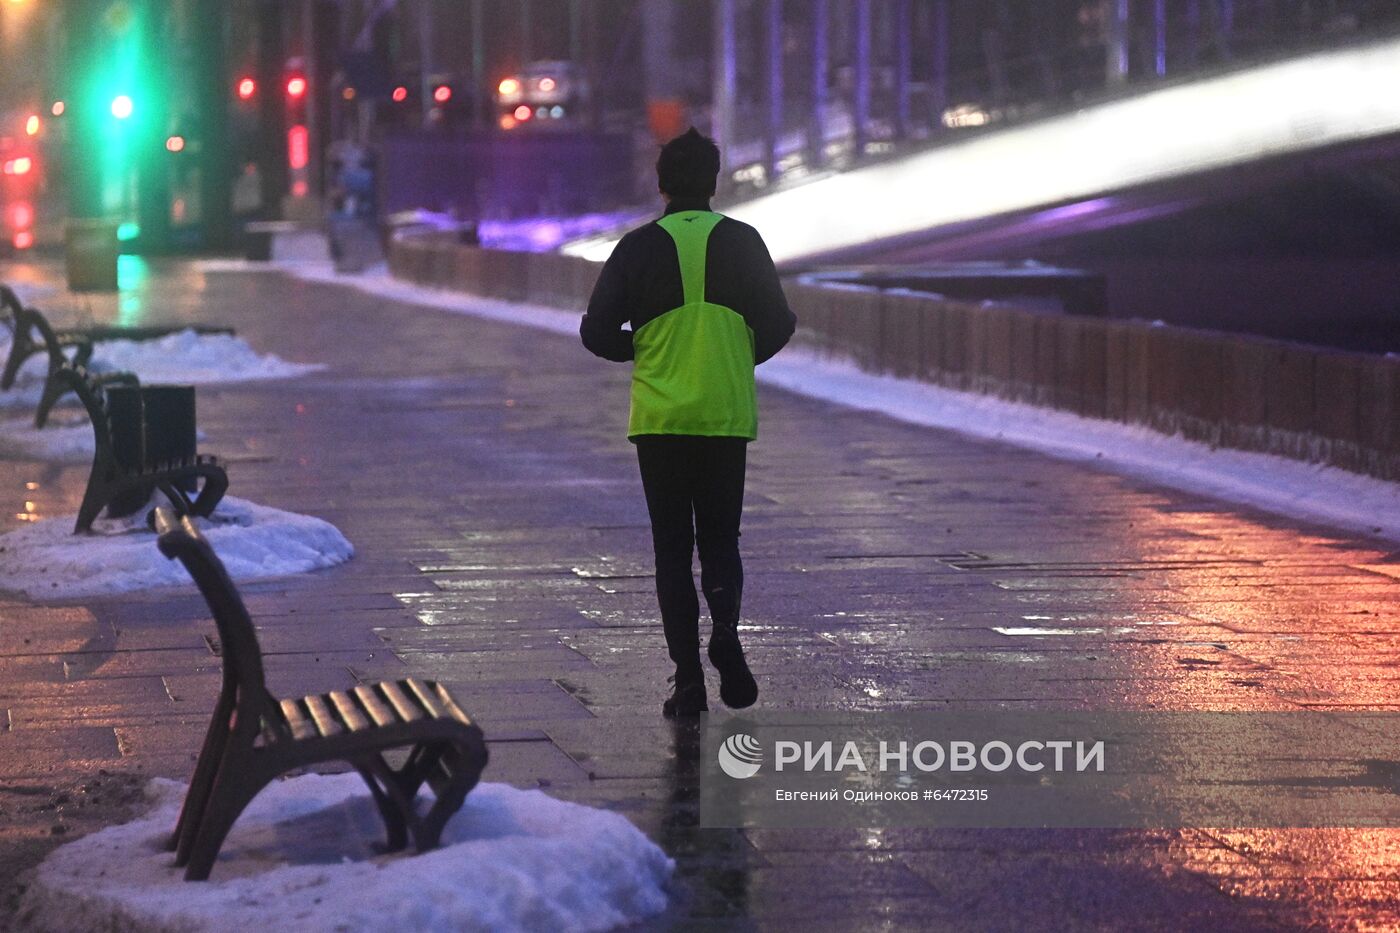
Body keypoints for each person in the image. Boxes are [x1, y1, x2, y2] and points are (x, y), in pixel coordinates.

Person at [580, 128, 797, 718]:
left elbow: (595, 332)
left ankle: (688, 682)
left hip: (661, 419)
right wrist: (732, 357)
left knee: (672, 549)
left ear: (661, 184)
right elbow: (779, 323)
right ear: (714, 180)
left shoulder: (637, 247)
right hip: (725, 417)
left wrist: (647, 352)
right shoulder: (744, 241)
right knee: (721, 540)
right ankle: (724, 629)